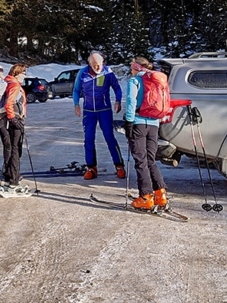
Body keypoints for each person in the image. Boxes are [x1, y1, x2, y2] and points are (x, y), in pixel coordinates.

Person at [124, 56, 168, 211]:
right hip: (154, 124)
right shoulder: (156, 81)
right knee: (151, 160)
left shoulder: (134, 81)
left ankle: (146, 197)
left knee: (140, 161)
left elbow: (131, 101)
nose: (130, 69)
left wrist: (128, 122)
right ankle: (160, 194)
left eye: (131, 66)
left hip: (139, 123)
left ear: (136, 67)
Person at [72, 52, 125, 180]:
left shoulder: (107, 72)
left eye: (99, 64)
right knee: (88, 139)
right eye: (94, 65)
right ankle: (91, 167)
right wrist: (76, 104)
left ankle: (119, 166)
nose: (97, 67)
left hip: (104, 110)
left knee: (109, 138)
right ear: (89, 64)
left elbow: (117, 88)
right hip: (89, 111)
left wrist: (118, 101)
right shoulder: (82, 73)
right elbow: (76, 90)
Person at [2, 63, 28, 190]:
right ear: (17, 73)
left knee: (14, 149)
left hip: (13, 120)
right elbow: (9, 103)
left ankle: (10, 177)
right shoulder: (15, 85)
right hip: (15, 120)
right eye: (23, 73)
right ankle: (13, 180)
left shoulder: (9, 83)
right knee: (15, 150)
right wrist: (13, 118)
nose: (25, 76)